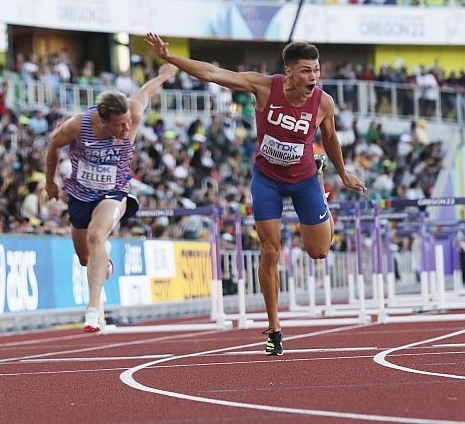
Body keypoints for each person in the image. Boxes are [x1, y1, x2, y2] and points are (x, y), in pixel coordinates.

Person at [146, 33, 367, 355]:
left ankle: (320, 189)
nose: (313, 77)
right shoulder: (265, 87)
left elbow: (330, 138)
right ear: (289, 71)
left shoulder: (324, 102)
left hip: (305, 179)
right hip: (267, 180)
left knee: (318, 251)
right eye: (306, 71)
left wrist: (343, 172)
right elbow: (214, 74)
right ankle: (274, 326)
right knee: (270, 250)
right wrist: (170, 58)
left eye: (316, 70)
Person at [45, 63, 178, 333]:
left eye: (128, 121)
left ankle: (93, 311)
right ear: (103, 121)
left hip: (113, 192)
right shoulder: (78, 125)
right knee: (85, 258)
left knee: (96, 237)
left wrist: (165, 74)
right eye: (120, 125)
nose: (127, 127)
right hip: (81, 195)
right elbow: (53, 145)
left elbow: (145, 91)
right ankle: (102, 262)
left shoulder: (134, 114)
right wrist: (50, 182)